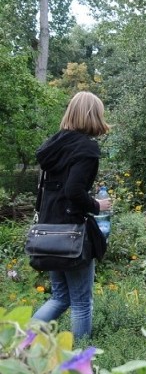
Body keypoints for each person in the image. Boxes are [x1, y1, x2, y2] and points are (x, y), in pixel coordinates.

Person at [32, 91, 111, 341]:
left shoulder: (53, 145)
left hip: (49, 231)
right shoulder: (86, 149)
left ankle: (20, 342)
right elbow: (74, 190)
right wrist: (98, 205)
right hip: (71, 234)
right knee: (81, 302)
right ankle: (80, 364)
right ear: (92, 115)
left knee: (60, 297)